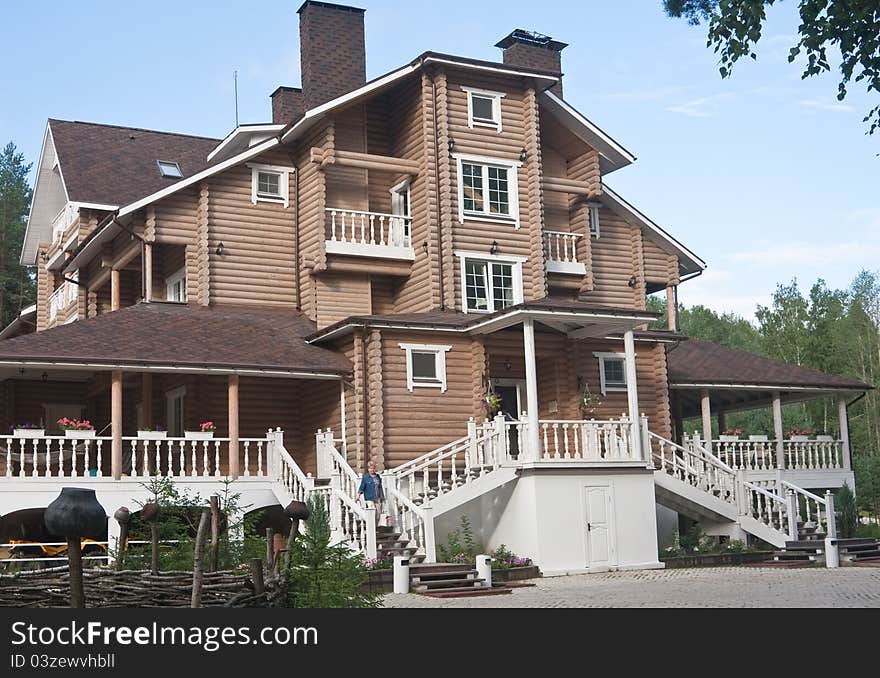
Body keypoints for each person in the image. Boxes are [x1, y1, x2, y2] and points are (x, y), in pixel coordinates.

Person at [356, 460, 384, 525]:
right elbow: (362, 487)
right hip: (369, 498)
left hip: (377, 498)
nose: (372, 470)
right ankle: (371, 526)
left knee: (378, 514)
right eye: (370, 468)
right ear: (368, 469)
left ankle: (375, 527)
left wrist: (382, 497)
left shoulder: (378, 477)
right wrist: (358, 495)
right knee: (372, 512)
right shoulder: (365, 477)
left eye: (373, 468)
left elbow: (380, 487)